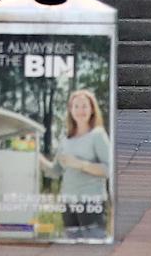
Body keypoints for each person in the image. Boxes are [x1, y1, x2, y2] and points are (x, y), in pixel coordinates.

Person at [40, 90, 112, 240]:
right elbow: (55, 172)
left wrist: (79, 164)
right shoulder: (66, 140)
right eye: (76, 106)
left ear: (92, 110)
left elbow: (108, 170)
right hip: (68, 204)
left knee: (93, 248)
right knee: (71, 248)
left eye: (84, 106)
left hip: (92, 202)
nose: (80, 110)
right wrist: (36, 156)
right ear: (70, 110)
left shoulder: (97, 135)